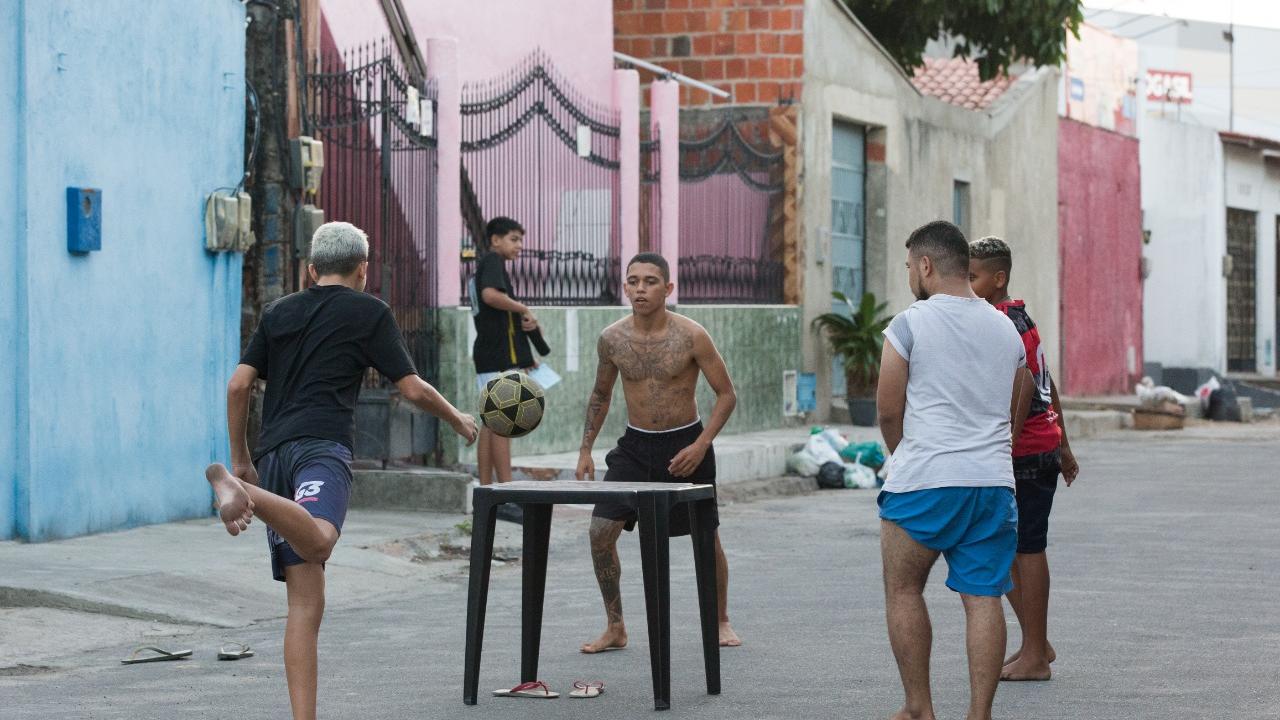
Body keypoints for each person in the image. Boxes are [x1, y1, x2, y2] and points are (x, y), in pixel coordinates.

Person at [205, 222, 478, 720]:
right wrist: (457, 416)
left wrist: (243, 454)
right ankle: (237, 487)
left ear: (311, 270)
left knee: (305, 605)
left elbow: (238, 386)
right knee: (321, 540)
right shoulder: (370, 311)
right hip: (320, 450)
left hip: (274, 454)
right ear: (363, 270)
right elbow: (412, 389)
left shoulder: (279, 311)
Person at [876, 220, 1030, 720]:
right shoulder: (1005, 327)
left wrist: (903, 456)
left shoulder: (910, 323)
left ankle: (919, 707)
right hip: (991, 484)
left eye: (908, 267)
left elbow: (886, 410)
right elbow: (1015, 400)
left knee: (903, 590)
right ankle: (979, 714)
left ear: (925, 265)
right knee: (984, 598)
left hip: (924, 482)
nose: (908, 277)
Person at [575, 252, 742, 652]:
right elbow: (601, 394)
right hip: (634, 449)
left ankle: (720, 619)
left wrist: (701, 446)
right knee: (600, 533)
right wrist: (586, 450)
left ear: (668, 289)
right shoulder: (612, 339)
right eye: (633, 281)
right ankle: (615, 626)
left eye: (650, 281)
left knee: (706, 537)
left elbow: (726, 395)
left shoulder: (691, 336)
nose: (639, 289)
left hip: (686, 444)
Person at [968, 235, 1080, 682]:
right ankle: (1036, 641)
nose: (966, 285)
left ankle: (1035, 651)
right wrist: (1066, 446)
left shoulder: (1003, 321)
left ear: (998, 279)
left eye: (972, 277)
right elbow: (1048, 384)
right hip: (1038, 444)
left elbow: (1029, 386)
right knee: (1009, 548)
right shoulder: (1017, 315)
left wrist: (1005, 445)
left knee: (1027, 548)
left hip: (1026, 452)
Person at [470, 216, 541, 489]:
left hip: (491, 354)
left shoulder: (490, 264)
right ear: (495, 240)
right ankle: (506, 490)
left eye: (521, 239)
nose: (519, 245)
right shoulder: (492, 261)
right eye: (514, 239)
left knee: (491, 424)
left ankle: (488, 490)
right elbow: (490, 296)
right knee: (502, 423)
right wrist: (522, 308)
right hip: (495, 356)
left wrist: (526, 358)